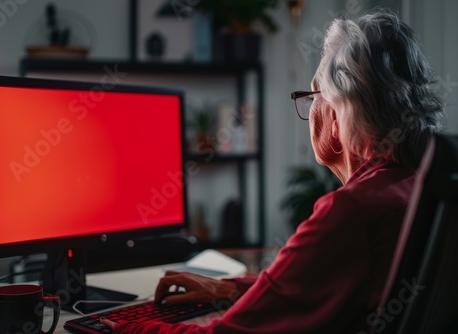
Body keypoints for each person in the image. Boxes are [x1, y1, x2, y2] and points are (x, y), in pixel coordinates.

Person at [101, 9, 444, 333]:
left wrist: (129, 327)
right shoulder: (418, 187)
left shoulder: (351, 212)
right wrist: (231, 288)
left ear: (339, 117)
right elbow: (323, 286)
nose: (310, 112)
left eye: (313, 97)